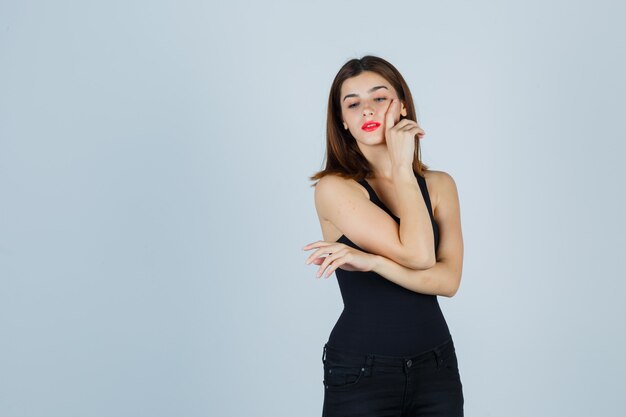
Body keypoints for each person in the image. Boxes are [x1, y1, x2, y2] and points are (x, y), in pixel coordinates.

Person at [303, 55, 465, 416]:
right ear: (343, 122)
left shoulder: (440, 185)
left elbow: (449, 280)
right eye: (353, 104)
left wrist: (374, 261)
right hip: (362, 373)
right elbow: (421, 256)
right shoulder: (335, 188)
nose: (367, 111)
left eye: (380, 97)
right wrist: (402, 168)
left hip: (436, 367)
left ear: (402, 105)